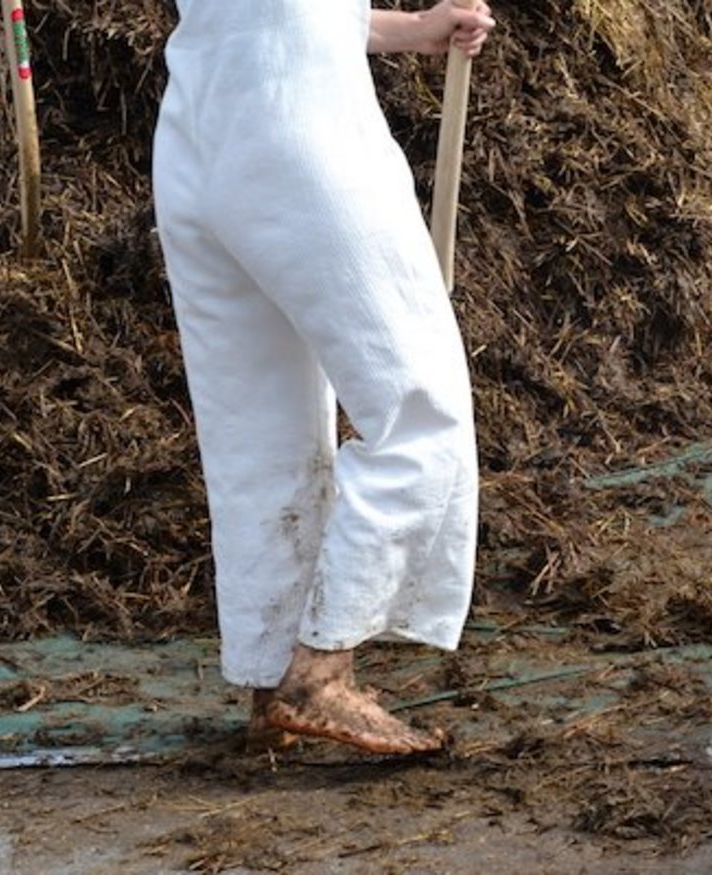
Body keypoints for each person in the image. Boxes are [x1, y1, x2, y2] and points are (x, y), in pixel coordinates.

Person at [152, 0, 495, 756]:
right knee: (420, 407)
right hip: (300, 122)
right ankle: (323, 669)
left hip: (201, 122)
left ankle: (275, 677)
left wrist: (407, 30)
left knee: (257, 434)